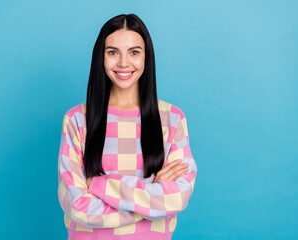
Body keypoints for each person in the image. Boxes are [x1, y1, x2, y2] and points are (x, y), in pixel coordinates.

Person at [57, 13, 197, 240]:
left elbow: (177, 197)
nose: (123, 63)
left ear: (146, 57)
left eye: (134, 52)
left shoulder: (172, 119)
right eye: (113, 52)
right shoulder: (77, 119)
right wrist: (152, 195)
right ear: (100, 57)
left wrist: (99, 186)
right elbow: (76, 206)